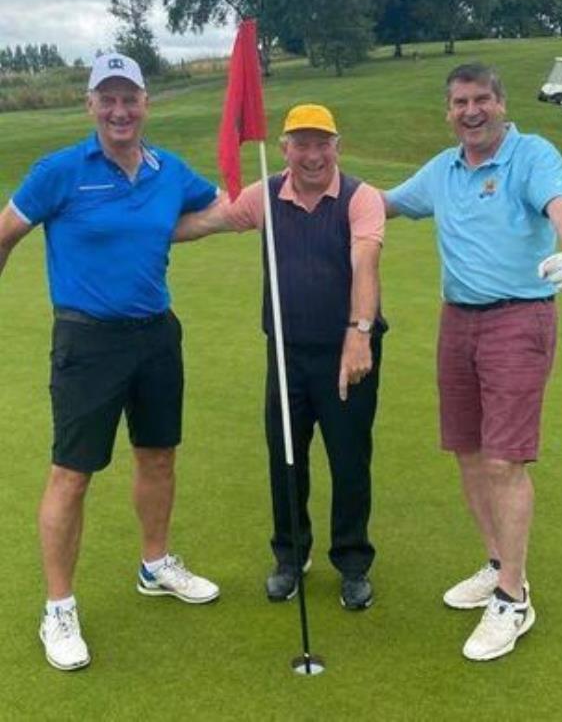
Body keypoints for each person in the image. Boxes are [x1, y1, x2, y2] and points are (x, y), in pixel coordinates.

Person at [0, 53, 221, 672]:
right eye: (108, 98)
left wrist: (267, 203)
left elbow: (216, 207)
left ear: (147, 104)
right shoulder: (60, 171)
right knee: (71, 474)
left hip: (156, 336)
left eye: (131, 98)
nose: (120, 110)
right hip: (87, 341)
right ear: (90, 105)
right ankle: (58, 606)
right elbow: (5, 233)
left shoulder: (166, 170)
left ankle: (155, 563)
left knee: (158, 455)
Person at [385, 63, 562, 661]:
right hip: (459, 323)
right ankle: (500, 565)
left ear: (500, 103)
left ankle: (512, 599)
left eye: (481, 100)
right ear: (448, 111)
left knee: (503, 462)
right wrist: (309, 186)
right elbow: (383, 202)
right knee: (470, 453)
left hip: (518, 320)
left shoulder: (531, 155)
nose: (470, 111)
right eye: (459, 102)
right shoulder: (443, 169)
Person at [175, 104, 386, 610]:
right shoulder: (265, 194)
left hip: (347, 352)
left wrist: (359, 332)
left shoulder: (361, 198)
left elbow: (365, 260)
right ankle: (291, 556)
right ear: (285, 148)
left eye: (322, 143)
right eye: (301, 144)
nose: (312, 155)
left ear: (337, 145)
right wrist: (136, 231)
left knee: (349, 458)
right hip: (286, 351)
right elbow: (208, 222)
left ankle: (353, 563)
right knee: (286, 458)